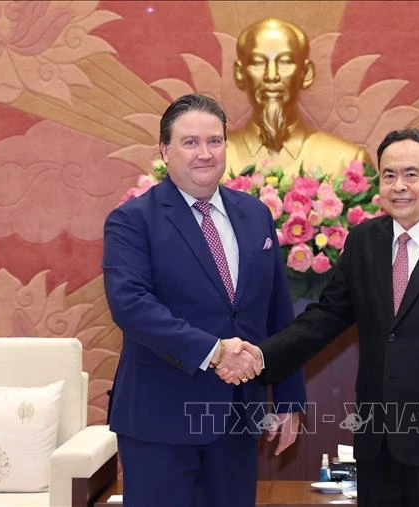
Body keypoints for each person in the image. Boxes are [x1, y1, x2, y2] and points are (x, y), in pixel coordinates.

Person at [221, 129, 419, 506]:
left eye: (412, 174)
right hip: (377, 442)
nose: (399, 186)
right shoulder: (364, 241)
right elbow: (325, 317)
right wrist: (262, 356)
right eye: (389, 175)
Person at [102, 93, 306, 507]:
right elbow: (132, 305)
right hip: (160, 416)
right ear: (164, 150)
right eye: (190, 142)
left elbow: (278, 313)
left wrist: (289, 399)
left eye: (214, 141)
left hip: (237, 416)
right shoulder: (132, 220)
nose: (204, 153)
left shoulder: (255, 214)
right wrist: (214, 352)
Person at [226, 18, 373, 176]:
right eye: (257, 62)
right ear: (240, 74)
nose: (271, 75)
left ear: (306, 73)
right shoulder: (213, 161)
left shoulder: (347, 162)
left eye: (285, 62)